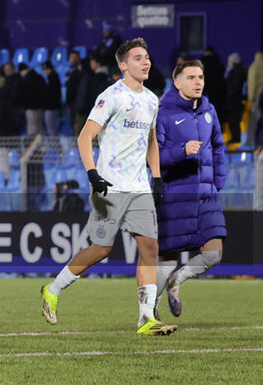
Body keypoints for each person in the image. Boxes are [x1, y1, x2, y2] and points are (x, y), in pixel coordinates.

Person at [40, 38, 176, 336]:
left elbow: (152, 142)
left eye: (147, 57)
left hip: (139, 187)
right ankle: (53, 289)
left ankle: (145, 318)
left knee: (150, 247)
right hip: (109, 187)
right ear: (123, 65)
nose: (146, 62)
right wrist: (92, 174)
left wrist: (155, 177)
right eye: (138, 58)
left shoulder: (153, 99)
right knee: (101, 250)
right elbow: (84, 137)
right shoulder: (111, 96)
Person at [154, 60, 226, 318]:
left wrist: (219, 182)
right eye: (192, 77)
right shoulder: (164, 113)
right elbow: (154, 156)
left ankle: (177, 281)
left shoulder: (209, 110)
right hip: (176, 193)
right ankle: (150, 310)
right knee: (168, 256)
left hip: (207, 194)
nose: (198, 82)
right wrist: (181, 151)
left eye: (201, 77)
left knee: (214, 253)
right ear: (177, 82)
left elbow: (218, 146)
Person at [224, 53, 247, 144]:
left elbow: (233, 88)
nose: (228, 62)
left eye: (229, 61)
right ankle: (235, 138)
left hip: (233, 101)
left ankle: (235, 139)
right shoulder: (240, 71)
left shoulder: (235, 72)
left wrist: (227, 97)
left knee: (233, 121)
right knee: (234, 121)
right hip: (237, 101)